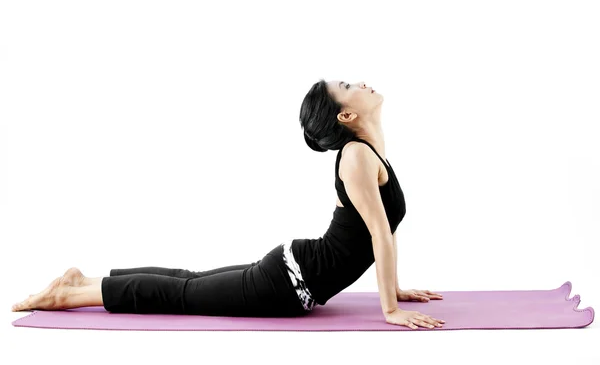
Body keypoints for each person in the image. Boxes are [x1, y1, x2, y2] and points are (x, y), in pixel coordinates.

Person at [11, 79, 445, 329]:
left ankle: (83, 279)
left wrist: (396, 289)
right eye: (349, 86)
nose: (361, 83)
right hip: (289, 283)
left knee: (190, 281)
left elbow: (377, 235)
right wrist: (390, 308)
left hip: (292, 271)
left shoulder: (367, 153)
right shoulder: (356, 156)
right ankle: (68, 296)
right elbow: (379, 235)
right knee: (185, 294)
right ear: (345, 116)